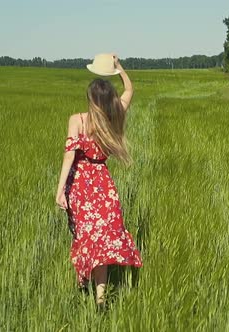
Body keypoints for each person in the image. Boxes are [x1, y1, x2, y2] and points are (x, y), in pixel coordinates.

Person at [55, 55, 142, 306]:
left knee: (84, 237)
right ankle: (100, 297)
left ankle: (83, 281)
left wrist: (60, 190)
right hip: (103, 184)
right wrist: (118, 68)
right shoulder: (114, 116)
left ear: (91, 99)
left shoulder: (78, 120)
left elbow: (69, 155)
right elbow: (129, 89)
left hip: (80, 184)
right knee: (102, 239)